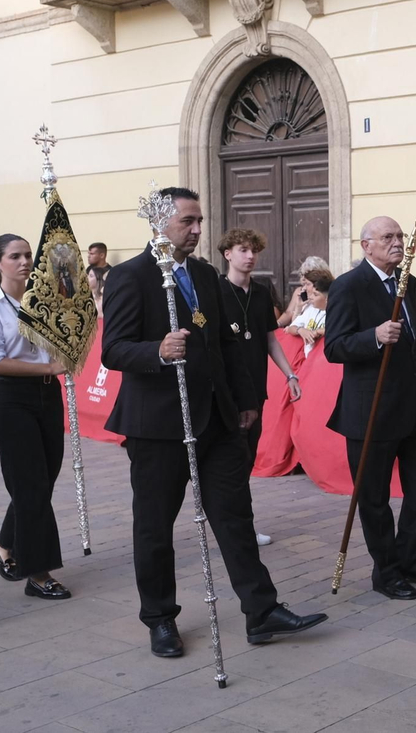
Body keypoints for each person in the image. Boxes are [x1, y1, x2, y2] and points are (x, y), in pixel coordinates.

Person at [100, 187, 326, 659]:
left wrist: (245, 399)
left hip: (218, 420)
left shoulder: (205, 275)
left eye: (200, 220)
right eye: (188, 221)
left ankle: (260, 610)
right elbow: (113, 348)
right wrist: (157, 351)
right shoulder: (129, 276)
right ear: (160, 222)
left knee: (234, 515)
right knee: (155, 526)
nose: (198, 230)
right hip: (158, 425)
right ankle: (160, 618)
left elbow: (226, 345)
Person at [322, 217, 416, 601]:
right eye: (388, 237)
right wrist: (372, 337)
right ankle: (387, 572)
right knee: (373, 498)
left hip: (412, 404)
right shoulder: (348, 285)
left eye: (400, 236)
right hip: (369, 409)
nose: (397, 243)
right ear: (366, 245)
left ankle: (413, 560)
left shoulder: (404, 283)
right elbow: (334, 346)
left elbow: (405, 338)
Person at [0, 234, 72, 601]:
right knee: (29, 484)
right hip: (10, 398)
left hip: (47, 394)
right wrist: (49, 367)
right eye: (15, 256)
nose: (24, 261)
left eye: (28, 255)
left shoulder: (41, 299)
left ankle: (3, 545)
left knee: (41, 480)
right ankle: (38, 572)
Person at [219, 228, 303, 547]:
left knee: (246, 461)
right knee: (232, 463)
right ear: (228, 254)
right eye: (243, 250)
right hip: (227, 394)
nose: (250, 256)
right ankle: (236, 528)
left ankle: (238, 525)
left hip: (256, 391)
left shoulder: (262, 290)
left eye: (254, 250)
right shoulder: (216, 291)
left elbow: (270, 339)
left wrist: (290, 375)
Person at [285, 268, 332, 356]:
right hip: (309, 359)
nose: (310, 297)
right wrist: (301, 330)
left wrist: (319, 331)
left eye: (315, 294)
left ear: (326, 298)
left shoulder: (335, 313)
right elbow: (291, 327)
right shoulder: (311, 309)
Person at [279, 255, 330, 326]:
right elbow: (290, 314)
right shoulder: (300, 291)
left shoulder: (325, 293)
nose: (304, 278)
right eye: (303, 274)